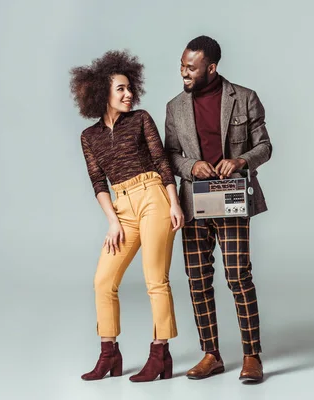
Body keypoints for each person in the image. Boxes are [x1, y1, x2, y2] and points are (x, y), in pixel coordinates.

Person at [69, 50, 184, 382]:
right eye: (120, 88)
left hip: (154, 199)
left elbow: (162, 162)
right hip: (122, 208)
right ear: (101, 92)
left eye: (130, 87)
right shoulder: (88, 137)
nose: (128, 93)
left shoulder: (141, 118)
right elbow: (97, 182)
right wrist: (113, 221)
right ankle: (109, 354)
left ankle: (160, 354)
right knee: (103, 281)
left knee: (155, 280)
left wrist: (174, 203)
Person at [164, 36, 272, 383]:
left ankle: (251, 355)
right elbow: (170, 157)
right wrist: (191, 166)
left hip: (232, 198)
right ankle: (210, 353)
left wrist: (240, 160)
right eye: (182, 65)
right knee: (197, 280)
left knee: (238, 276)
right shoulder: (174, 107)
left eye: (191, 67)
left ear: (211, 68)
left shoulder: (244, 97)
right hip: (194, 204)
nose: (184, 72)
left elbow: (265, 146)